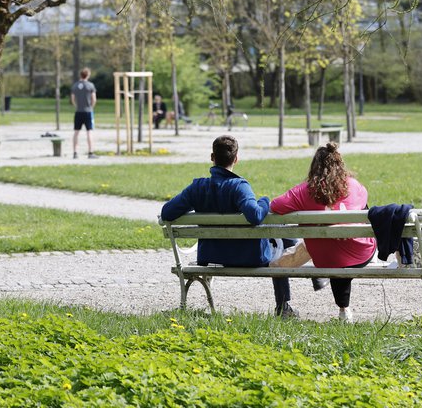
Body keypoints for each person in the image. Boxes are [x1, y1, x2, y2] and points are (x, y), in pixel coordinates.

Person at [160, 135, 297, 318]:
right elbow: (255, 215)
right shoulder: (239, 186)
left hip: (211, 255)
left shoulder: (197, 188)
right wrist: (264, 201)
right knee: (282, 242)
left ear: (212, 157)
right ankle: (283, 307)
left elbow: (167, 212)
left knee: (283, 237)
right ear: (236, 159)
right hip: (248, 257)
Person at [270, 142, 377, 323]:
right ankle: (344, 310)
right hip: (361, 254)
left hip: (324, 257)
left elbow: (274, 206)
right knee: (342, 242)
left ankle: (287, 305)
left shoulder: (303, 191)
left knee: (331, 248)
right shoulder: (355, 186)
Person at [70, 67, 98, 159]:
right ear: (88, 75)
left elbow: (73, 99)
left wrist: (77, 106)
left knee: (76, 132)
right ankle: (90, 152)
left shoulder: (75, 85)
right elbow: (94, 99)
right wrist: (91, 107)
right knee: (89, 131)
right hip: (88, 111)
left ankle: (75, 152)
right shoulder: (90, 85)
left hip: (78, 111)